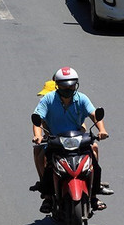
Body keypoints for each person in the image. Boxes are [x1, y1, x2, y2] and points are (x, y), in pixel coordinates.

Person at [31, 67, 111, 213]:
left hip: (78, 139)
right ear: (57, 85)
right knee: (44, 158)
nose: (68, 88)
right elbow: (38, 120)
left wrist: (102, 130)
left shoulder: (82, 98)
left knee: (94, 149)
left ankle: (93, 193)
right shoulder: (48, 100)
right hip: (56, 140)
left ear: (76, 85)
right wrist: (38, 135)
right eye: (64, 85)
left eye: (71, 85)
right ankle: (48, 196)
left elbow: (94, 115)